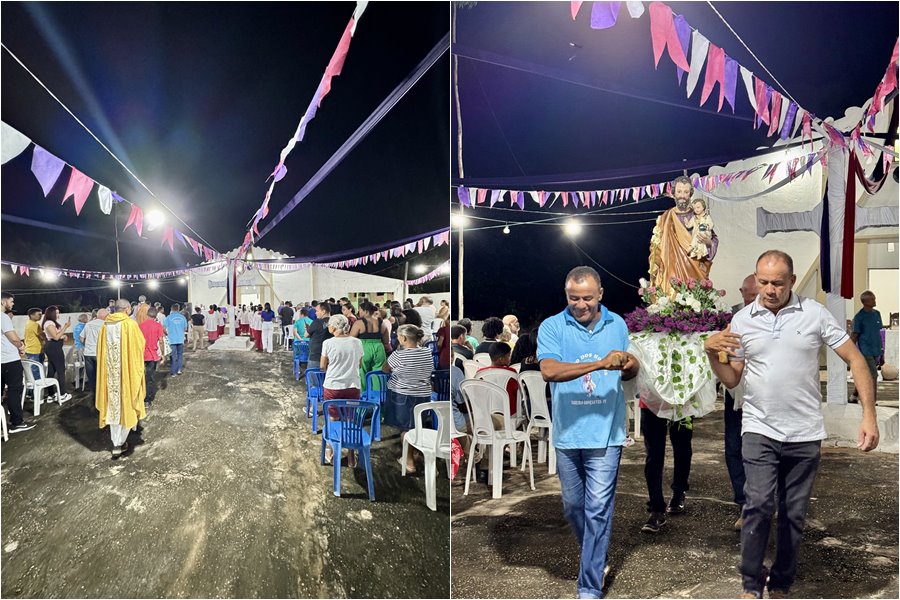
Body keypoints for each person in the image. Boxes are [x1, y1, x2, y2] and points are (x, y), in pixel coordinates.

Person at [703, 250, 879, 599]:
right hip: (759, 427)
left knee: (793, 514)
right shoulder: (742, 321)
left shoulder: (814, 314)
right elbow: (733, 378)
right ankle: (751, 584)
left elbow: (856, 360)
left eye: (777, 283)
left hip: (804, 432)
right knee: (757, 504)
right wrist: (711, 354)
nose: (768, 289)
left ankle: (781, 582)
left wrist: (869, 415)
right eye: (763, 282)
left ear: (792, 281)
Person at [536, 266, 639, 600]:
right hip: (568, 434)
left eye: (587, 298)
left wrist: (629, 364)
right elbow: (549, 370)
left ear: (600, 295)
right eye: (573, 298)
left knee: (598, 508)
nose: (580, 305)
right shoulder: (552, 326)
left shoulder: (617, 324)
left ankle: (589, 586)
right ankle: (598, 558)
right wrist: (599, 364)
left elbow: (627, 371)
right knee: (573, 508)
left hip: (606, 434)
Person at [723, 273, 759, 531]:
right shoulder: (733, 318)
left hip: (763, 395)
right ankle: (744, 504)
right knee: (734, 448)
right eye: (749, 296)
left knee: (762, 451)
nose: (753, 301)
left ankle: (764, 502)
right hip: (735, 392)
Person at [648, 175, 719, 299]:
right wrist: (655, 262)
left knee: (695, 304)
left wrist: (708, 242)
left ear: (690, 194)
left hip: (694, 268)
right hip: (671, 272)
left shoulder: (699, 215)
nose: (682, 196)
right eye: (679, 191)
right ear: (673, 193)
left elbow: (712, 239)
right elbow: (656, 245)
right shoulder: (666, 217)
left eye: (686, 192)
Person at [96, 299, 147, 458]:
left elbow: (100, 350)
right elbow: (140, 345)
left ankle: (116, 442)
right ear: (126, 309)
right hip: (126, 373)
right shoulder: (130, 325)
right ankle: (120, 442)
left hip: (110, 374)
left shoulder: (105, 326)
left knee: (113, 407)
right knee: (127, 403)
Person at [383, 324, 434, 473]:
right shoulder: (426, 352)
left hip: (403, 395)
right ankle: (415, 452)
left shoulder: (399, 354)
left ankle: (408, 460)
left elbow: (385, 368)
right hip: (423, 395)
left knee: (406, 428)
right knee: (417, 425)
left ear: (403, 338)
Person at [320, 314, 365, 467]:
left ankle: (332, 451)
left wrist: (333, 370)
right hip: (353, 386)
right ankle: (351, 457)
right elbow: (359, 365)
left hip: (333, 386)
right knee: (350, 420)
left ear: (334, 327)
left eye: (330, 325)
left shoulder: (328, 343)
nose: (328, 328)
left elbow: (322, 366)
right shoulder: (357, 342)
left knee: (333, 419)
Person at [1, 293, 36, 433]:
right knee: (15, 390)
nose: (13, 304)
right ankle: (16, 422)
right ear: (3, 302)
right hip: (8, 359)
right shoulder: (3, 316)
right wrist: (21, 347)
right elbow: (12, 337)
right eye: (11, 301)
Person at [850, 290, 883, 403]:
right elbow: (854, 335)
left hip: (876, 350)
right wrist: (851, 352)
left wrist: (882, 352)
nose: (875, 300)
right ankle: (872, 401)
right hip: (865, 351)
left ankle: (854, 396)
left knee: (865, 375)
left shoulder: (877, 314)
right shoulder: (859, 317)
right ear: (865, 301)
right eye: (872, 299)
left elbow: (878, 333)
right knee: (873, 376)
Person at [350, 301, 388, 391]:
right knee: (378, 373)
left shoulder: (359, 323)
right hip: (379, 347)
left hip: (364, 347)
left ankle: (363, 398)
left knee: (361, 372)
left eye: (360, 310)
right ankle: (378, 397)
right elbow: (386, 340)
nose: (359, 312)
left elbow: (351, 340)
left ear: (366, 311)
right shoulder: (381, 322)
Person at [475, 342, 520, 416]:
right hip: (509, 414)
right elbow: (517, 393)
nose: (510, 358)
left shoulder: (480, 373)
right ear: (501, 359)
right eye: (508, 356)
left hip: (487, 413)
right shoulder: (511, 372)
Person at [41, 306, 73, 403]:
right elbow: (55, 337)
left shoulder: (51, 323)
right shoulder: (49, 323)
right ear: (51, 313)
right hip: (53, 348)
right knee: (60, 370)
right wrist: (65, 327)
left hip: (53, 347)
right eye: (57, 313)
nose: (58, 314)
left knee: (52, 370)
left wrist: (63, 336)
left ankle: (51, 394)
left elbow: (57, 335)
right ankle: (62, 394)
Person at [139, 307, 165, 407]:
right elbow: (161, 341)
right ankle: (147, 400)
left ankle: (140, 396)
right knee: (149, 377)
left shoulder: (140, 326)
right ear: (156, 315)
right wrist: (162, 354)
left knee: (141, 376)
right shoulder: (158, 326)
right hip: (152, 355)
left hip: (141, 354)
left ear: (147, 314)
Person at [81, 309, 108, 395]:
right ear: (106, 316)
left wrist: (88, 345)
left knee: (91, 376)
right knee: (101, 375)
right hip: (99, 353)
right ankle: (101, 395)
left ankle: (94, 393)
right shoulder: (105, 325)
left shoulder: (88, 324)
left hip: (88, 353)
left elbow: (81, 338)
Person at [163, 303, 188, 376]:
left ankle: (174, 372)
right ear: (178, 309)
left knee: (173, 356)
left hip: (172, 339)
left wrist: (167, 334)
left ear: (171, 309)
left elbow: (163, 328)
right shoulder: (182, 317)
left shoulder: (168, 317)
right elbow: (185, 328)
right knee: (180, 355)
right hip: (180, 339)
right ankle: (179, 369)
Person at [307, 302, 334, 368]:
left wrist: (308, 329)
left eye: (317, 311)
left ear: (323, 311)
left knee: (314, 377)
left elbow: (306, 335)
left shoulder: (317, 322)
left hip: (316, 356)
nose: (315, 313)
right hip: (331, 356)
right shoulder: (334, 321)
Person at [23, 307, 44, 379]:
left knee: (33, 370)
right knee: (36, 371)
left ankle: (34, 388)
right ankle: (37, 387)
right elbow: (42, 336)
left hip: (30, 350)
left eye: (41, 315)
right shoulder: (35, 325)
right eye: (39, 314)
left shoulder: (28, 323)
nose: (41, 316)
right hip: (34, 351)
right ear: (32, 315)